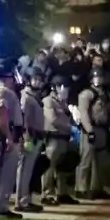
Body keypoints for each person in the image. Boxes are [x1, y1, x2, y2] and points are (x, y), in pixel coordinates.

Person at [0, 59, 24, 219]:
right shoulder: (2, 91)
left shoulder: (1, 89)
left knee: (5, 173)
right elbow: (1, 114)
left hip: (6, 134)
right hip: (3, 135)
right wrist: (8, 137)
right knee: (1, 172)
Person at [76, 66, 110, 200]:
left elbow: (109, 111)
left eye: (100, 77)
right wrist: (89, 130)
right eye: (96, 77)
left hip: (102, 129)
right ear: (91, 79)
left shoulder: (105, 93)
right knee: (86, 160)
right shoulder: (86, 94)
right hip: (91, 129)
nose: (98, 79)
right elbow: (84, 113)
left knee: (100, 162)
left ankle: (96, 188)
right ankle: (81, 188)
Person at [41, 75, 77, 205]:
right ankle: (46, 194)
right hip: (53, 137)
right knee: (49, 167)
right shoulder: (48, 101)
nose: (65, 89)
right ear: (54, 88)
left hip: (64, 138)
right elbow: (53, 119)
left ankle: (62, 193)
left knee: (63, 168)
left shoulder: (63, 102)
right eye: (62, 87)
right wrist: (70, 127)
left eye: (66, 87)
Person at [15, 69, 47, 213]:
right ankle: (21, 201)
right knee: (24, 170)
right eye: (35, 79)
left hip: (36, 136)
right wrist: (26, 137)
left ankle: (25, 199)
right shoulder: (26, 96)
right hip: (30, 136)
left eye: (40, 79)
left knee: (28, 170)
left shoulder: (34, 96)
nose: (38, 82)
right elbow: (24, 119)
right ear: (29, 80)